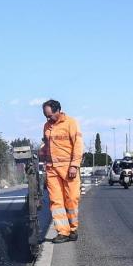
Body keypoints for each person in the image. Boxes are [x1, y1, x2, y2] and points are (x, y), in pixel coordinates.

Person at [38, 99, 84, 243]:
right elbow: (47, 145)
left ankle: (73, 229)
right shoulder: (46, 126)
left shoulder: (71, 123)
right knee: (56, 202)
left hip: (68, 168)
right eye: (45, 116)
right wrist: (41, 152)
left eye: (49, 115)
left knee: (71, 199)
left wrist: (74, 165)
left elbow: (78, 145)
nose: (47, 118)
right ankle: (63, 232)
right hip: (52, 169)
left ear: (58, 111)